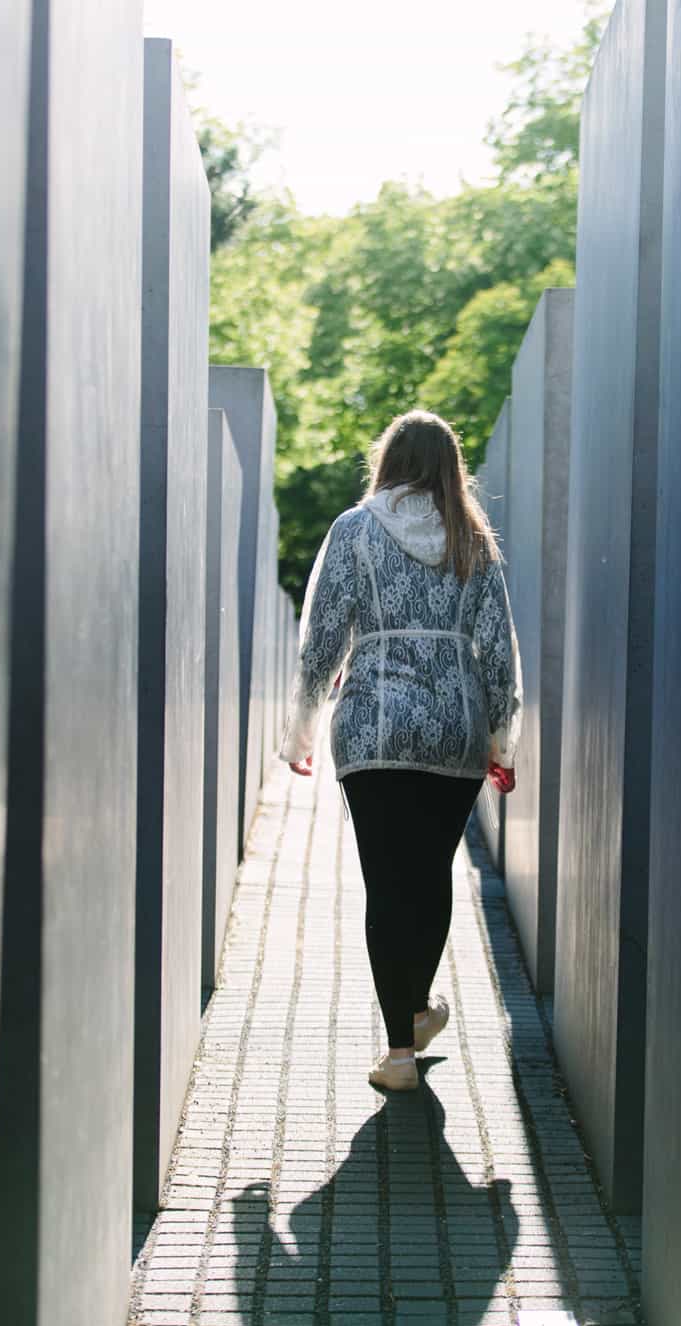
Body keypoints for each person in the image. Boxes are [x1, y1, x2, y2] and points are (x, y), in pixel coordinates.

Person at [280, 409, 522, 1093]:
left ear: (387, 458)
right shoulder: (475, 540)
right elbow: (498, 649)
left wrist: (299, 727)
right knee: (430, 874)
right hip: (454, 729)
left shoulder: (354, 531)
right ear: (451, 466)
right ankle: (416, 1011)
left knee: (387, 883)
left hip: (373, 728)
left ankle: (399, 1050)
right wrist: (503, 738)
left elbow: (323, 634)